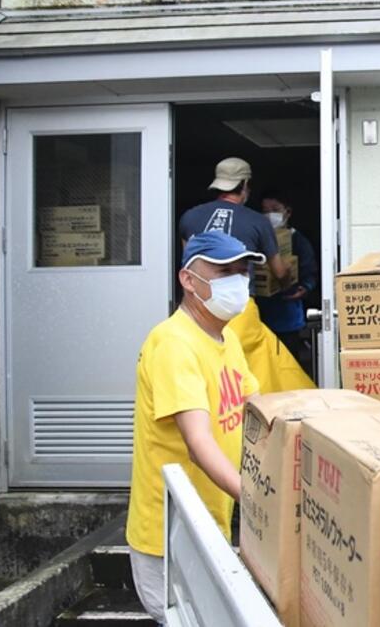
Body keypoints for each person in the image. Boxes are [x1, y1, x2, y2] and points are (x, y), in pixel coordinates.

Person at [126, 232, 262, 624]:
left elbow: (257, 408)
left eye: (242, 270)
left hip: (210, 519)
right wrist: (259, 502)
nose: (237, 281)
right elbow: (197, 443)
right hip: (170, 533)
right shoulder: (173, 343)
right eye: (223, 270)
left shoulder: (226, 336)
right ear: (188, 279)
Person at [179, 157, 315, 392]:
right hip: (239, 310)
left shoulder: (189, 218)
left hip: (197, 310)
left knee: (206, 373)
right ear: (244, 185)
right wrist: (286, 284)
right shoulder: (256, 221)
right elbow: (280, 271)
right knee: (262, 373)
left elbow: (189, 264)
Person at [257, 188, 320, 375]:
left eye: (275, 209)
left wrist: (305, 289)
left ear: (288, 212)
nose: (269, 215)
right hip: (261, 316)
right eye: (265, 210)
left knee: (288, 366)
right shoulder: (256, 238)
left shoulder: (298, 240)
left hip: (288, 315)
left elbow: (311, 273)